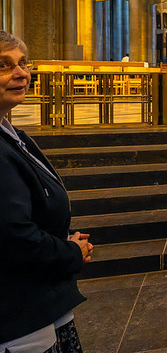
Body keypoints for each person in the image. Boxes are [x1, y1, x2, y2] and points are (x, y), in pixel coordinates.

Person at [0, 31, 93, 353]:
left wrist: (62, 241)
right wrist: (69, 252)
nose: (21, 73)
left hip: (35, 297)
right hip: (15, 314)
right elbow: (12, 237)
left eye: (23, 63)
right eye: (4, 65)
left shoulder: (12, 135)